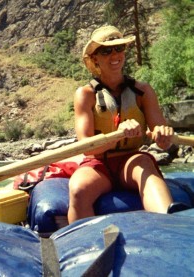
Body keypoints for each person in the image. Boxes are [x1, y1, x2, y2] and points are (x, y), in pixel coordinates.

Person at [68, 25, 188, 224]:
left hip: (131, 160)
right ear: (95, 58)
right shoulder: (85, 95)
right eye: (106, 50)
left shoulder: (143, 91)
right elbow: (86, 145)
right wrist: (120, 132)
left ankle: (169, 228)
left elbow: (163, 141)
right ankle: (85, 246)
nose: (114, 54)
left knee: (146, 171)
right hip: (99, 164)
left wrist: (164, 133)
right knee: (79, 190)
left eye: (119, 48)